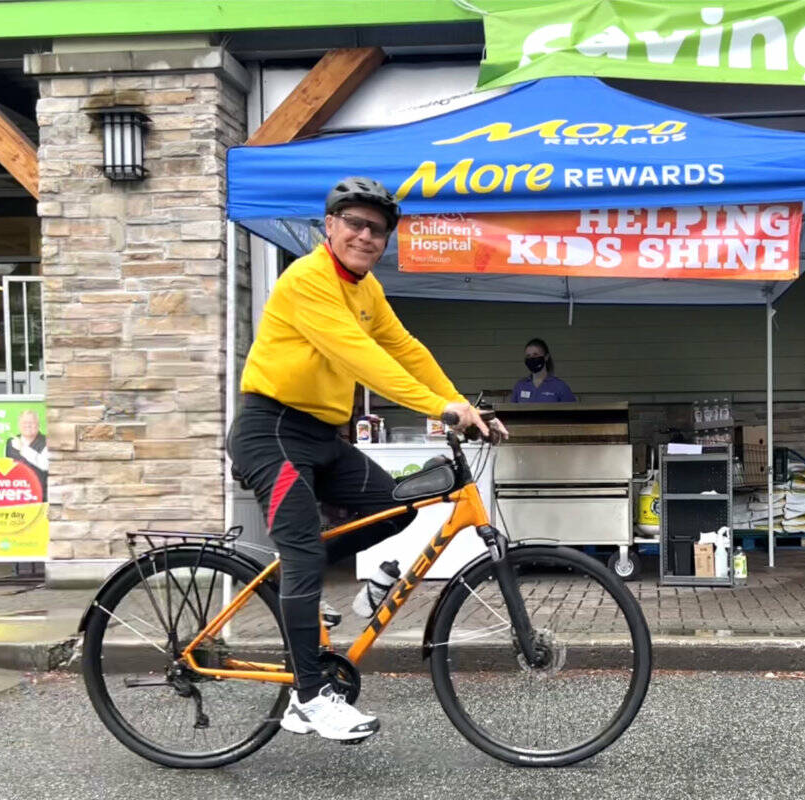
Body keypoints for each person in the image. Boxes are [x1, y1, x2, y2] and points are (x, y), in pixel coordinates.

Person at [227, 176, 503, 743]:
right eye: (353, 222)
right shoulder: (308, 280)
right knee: (303, 551)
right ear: (329, 226)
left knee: (396, 506)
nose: (365, 235)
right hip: (271, 429)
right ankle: (307, 699)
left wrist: (460, 404)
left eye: (376, 229)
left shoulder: (367, 289)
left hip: (323, 434)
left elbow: (405, 350)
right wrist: (437, 409)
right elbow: (363, 357)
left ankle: (287, 591)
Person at [509, 338, 576, 403]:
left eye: (535, 354)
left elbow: (573, 411)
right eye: (528, 356)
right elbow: (511, 412)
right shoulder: (520, 386)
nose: (531, 358)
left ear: (546, 357)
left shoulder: (560, 386)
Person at [5, 409, 48, 501]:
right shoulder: (10, 442)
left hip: (42, 498)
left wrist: (23, 448)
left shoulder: (47, 442)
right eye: (24, 422)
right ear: (19, 425)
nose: (28, 425)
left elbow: (45, 465)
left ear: (38, 424)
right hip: (18, 497)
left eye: (31, 422)